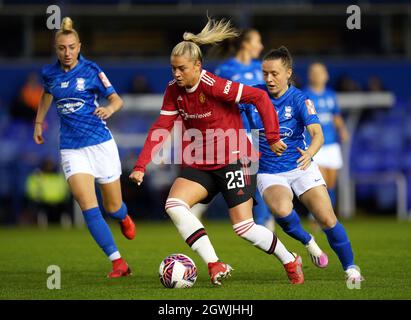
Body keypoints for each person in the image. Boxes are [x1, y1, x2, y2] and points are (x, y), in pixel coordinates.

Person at [129, 18, 304, 285]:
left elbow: (258, 98)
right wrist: (141, 165)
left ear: (197, 66)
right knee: (174, 205)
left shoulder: (213, 85)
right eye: (173, 68)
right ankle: (214, 263)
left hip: (236, 160)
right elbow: (161, 126)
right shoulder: (173, 90)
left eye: (181, 69)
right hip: (202, 163)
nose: (176, 74)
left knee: (243, 228)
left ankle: (290, 260)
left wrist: (271, 136)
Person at [241, 46, 363, 282]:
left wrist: (310, 152)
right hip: (269, 171)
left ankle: (351, 269)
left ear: (288, 73)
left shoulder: (299, 99)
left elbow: (317, 134)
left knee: (327, 218)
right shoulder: (252, 96)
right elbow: (223, 100)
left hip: (301, 166)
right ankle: (308, 241)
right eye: (265, 73)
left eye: (274, 73)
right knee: (282, 211)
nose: (269, 79)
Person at [33, 17, 135, 278]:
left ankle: (123, 217)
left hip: (100, 145)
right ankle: (117, 262)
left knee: (113, 207)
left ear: (79, 46)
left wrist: (109, 108)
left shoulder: (91, 70)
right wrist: (39, 121)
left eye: (71, 47)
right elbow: (47, 93)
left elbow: (116, 99)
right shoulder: (49, 73)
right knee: (87, 205)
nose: (66, 53)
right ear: (56, 49)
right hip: (72, 149)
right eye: (61, 48)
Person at [214, 29, 273, 230]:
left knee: (263, 176)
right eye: (258, 41)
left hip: (260, 131)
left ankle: (265, 222)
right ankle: (252, 221)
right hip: (236, 131)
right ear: (246, 44)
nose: (261, 46)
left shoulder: (262, 68)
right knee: (243, 179)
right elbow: (217, 99)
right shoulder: (226, 69)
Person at [304, 62, 349, 208]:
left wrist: (342, 129)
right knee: (320, 182)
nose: (317, 75)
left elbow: (335, 115)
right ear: (310, 75)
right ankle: (315, 215)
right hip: (315, 144)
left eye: (320, 72)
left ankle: (329, 214)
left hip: (331, 144)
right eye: (314, 72)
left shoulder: (331, 95)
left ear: (326, 75)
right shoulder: (305, 95)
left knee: (331, 183)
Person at [25, 158, 71, 227]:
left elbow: (64, 189)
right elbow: (31, 190)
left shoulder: (59, 177)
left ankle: (66, 226)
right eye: (47, 165)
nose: (49, 167)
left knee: (66, 205)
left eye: (50, 165)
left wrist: (62, 197)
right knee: (39, 207)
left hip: (59, 201)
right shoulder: (37, 177)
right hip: (43, 201)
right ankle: (42, 225)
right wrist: (38, 197)